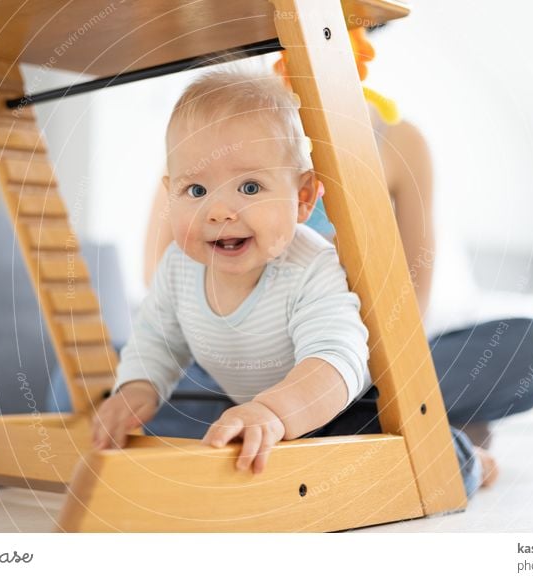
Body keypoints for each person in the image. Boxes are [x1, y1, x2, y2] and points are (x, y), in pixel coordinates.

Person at [91, 68, 496, 497]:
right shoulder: (178, 267)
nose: (219, 210)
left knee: (419, 454)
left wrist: (274, 411)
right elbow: (156, 339)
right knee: (137, 405)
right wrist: (137, 387)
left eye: (249, 186)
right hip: (247, 405)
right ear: (170, 193)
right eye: (195, 191)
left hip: (340, 408)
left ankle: (470, 459)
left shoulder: (311, 266)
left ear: (303, 198)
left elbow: (335, 361)